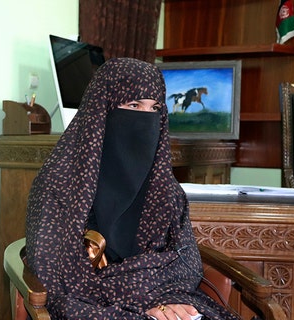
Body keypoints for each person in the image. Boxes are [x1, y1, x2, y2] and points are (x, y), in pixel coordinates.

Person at [25, 57, 239, 320]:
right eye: (134, 105)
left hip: (166, 305)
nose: (145, 119)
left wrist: (159, 304)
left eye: (155, 108)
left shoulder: (165, 188)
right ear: (102, 110)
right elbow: (58, 287)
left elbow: (187, 266)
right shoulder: (59, 185)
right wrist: (143, 303)